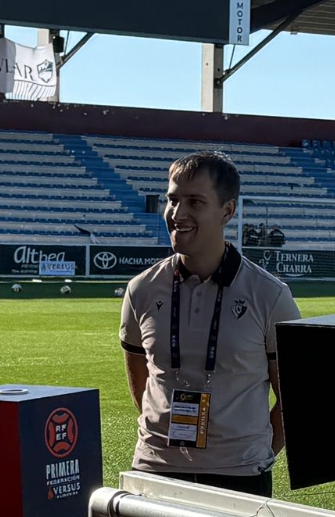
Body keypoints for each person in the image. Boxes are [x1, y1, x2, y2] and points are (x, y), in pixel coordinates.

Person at [119, 152, 299, 497]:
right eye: (172, 200)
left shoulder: (270, 295)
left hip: (240, 474)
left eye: (195, 202)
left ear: (227, 212)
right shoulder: (141, 289)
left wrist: (253, 452)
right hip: (155, 469)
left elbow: (294, 397)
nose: (177, 213)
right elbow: (140, 380)